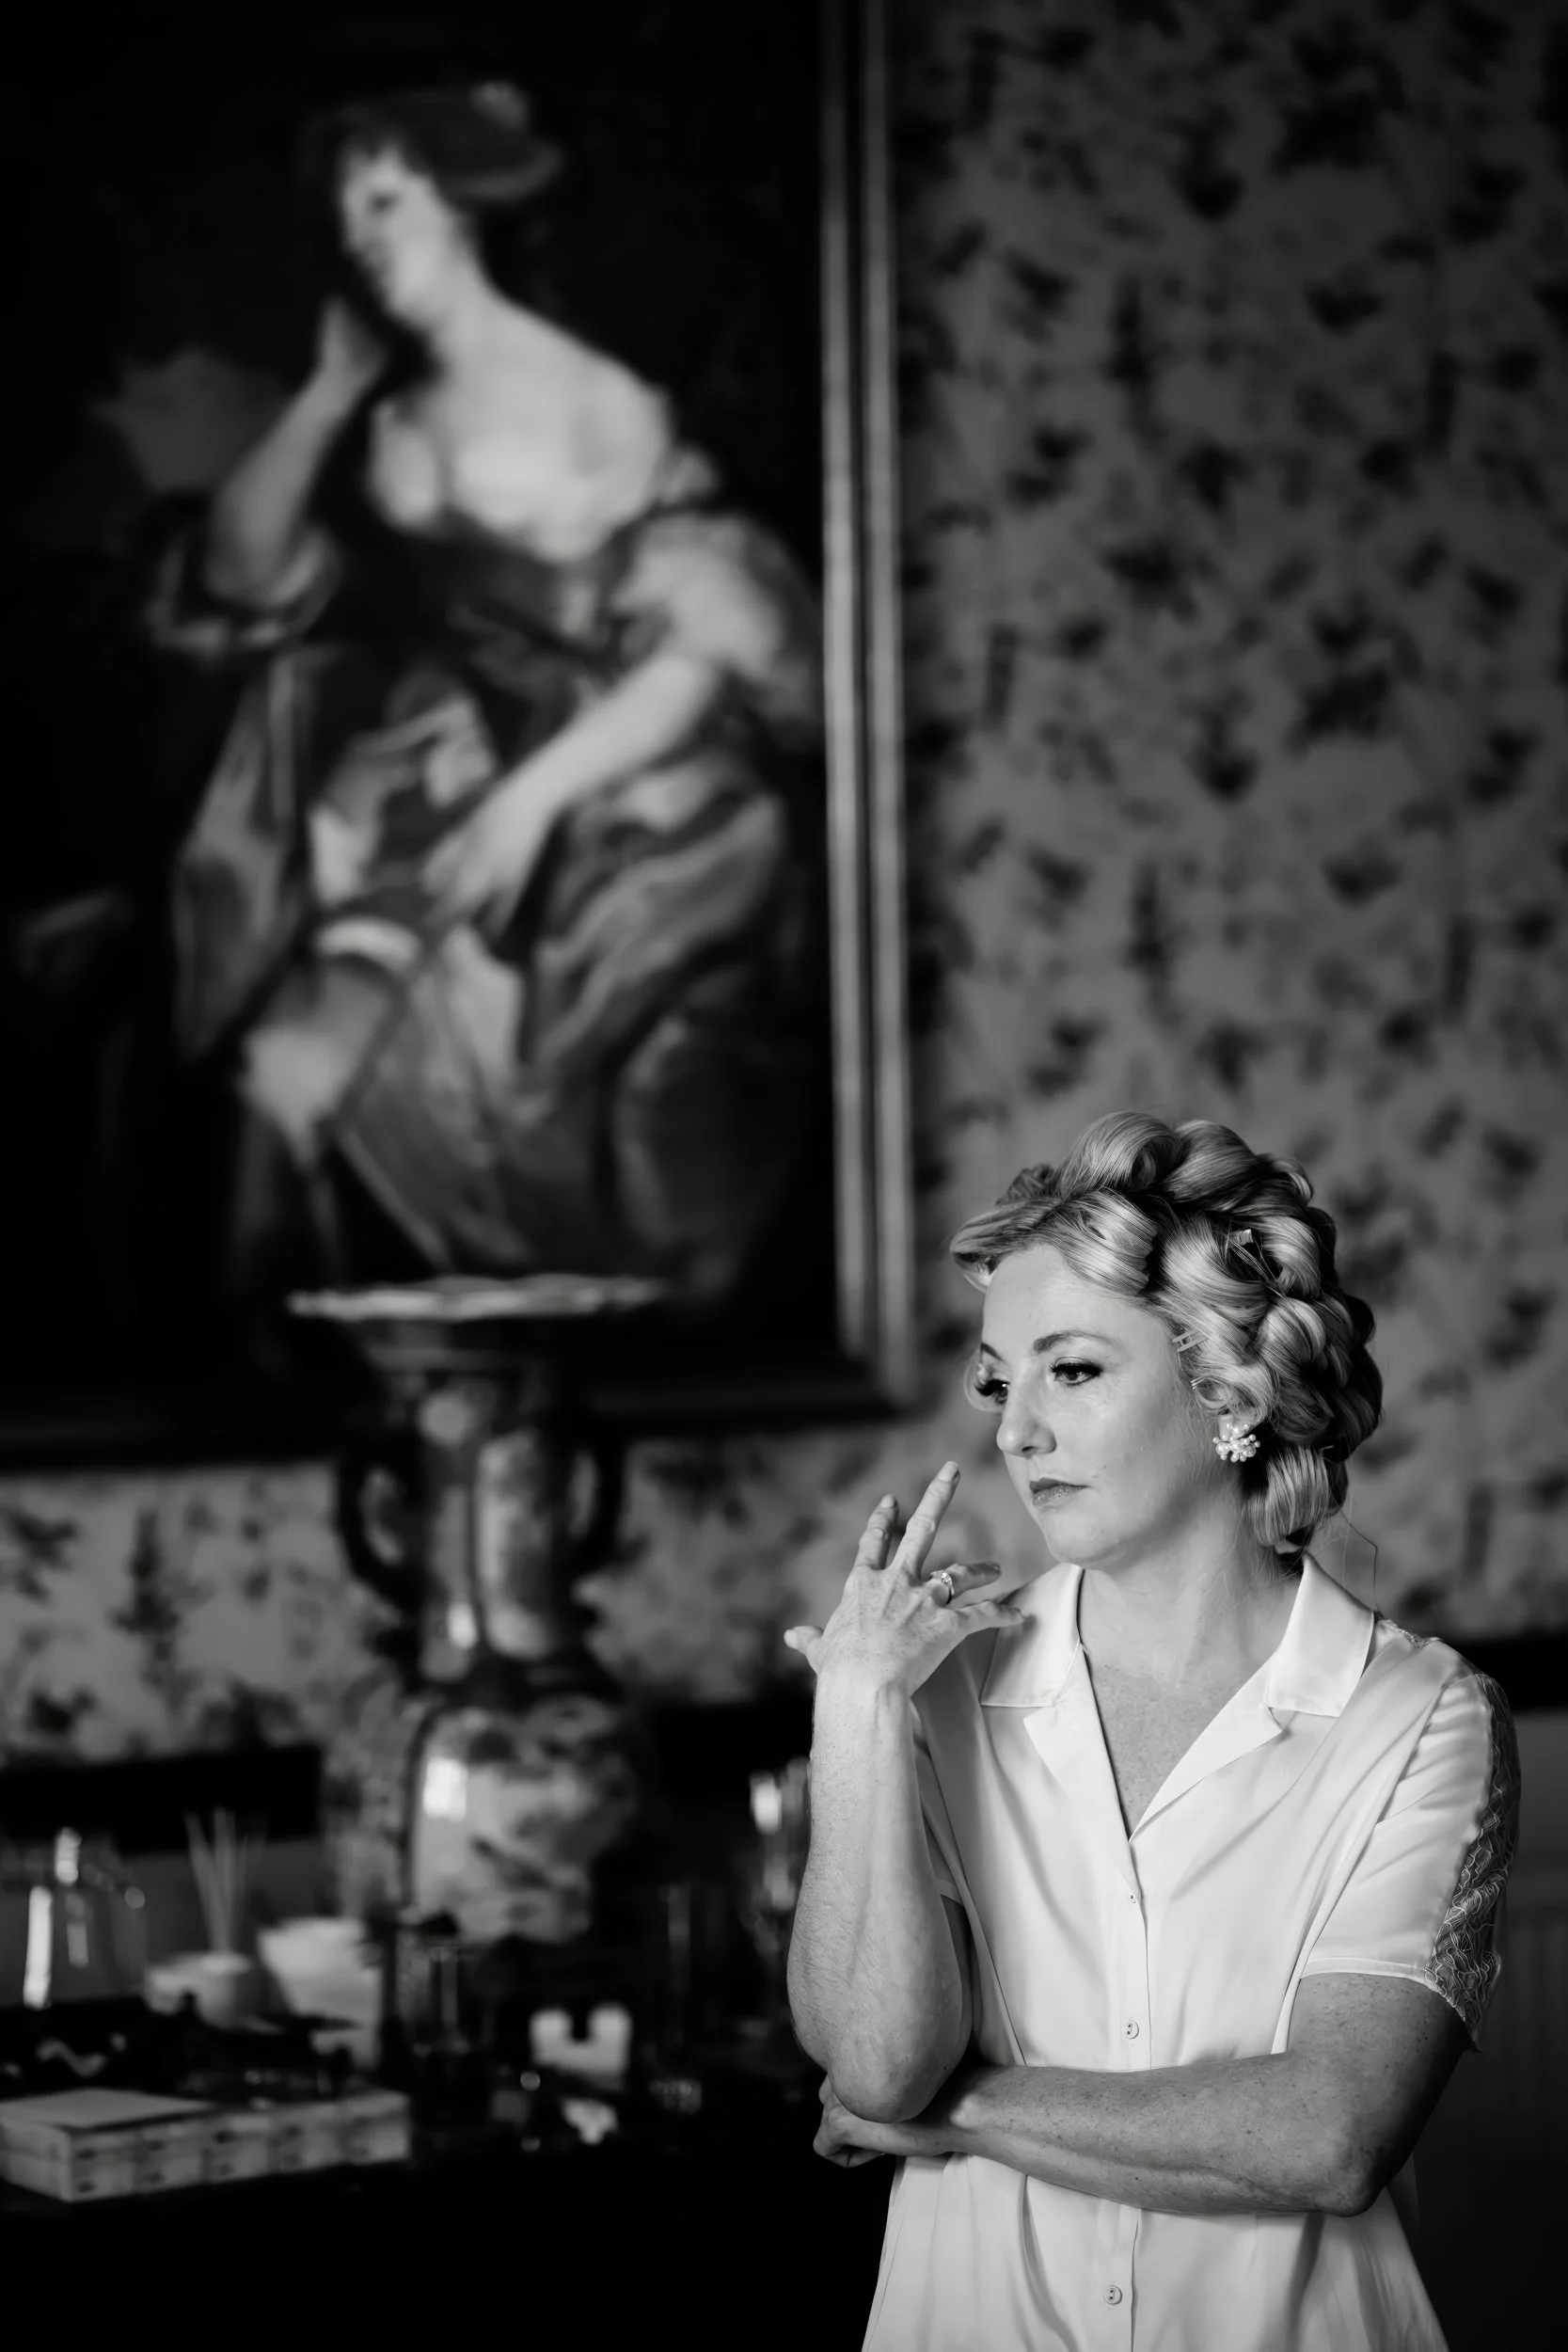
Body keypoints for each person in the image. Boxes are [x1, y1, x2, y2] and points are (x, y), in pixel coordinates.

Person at [784, 1111, 1517, 2352]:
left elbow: (1327, 2136)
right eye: (998, 1381)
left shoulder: (1419, 1720)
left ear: (1225, 1387)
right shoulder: (936, 1682)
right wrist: (854, 1708)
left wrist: (953, 2116)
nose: (1014, 1431)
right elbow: (871, 2066)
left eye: (1070, 1370)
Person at [144, 82, 821, 1351]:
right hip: (432, 772)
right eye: (345, 209)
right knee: (283, 1071)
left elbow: (707, 647)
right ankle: (283, 1359)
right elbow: (240, 574)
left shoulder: (610, 404)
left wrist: (530, 799)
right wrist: (331, 391)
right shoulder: (389, 416)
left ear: (464, 199)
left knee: (642, 1114)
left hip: (623, 781)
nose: (361, 234)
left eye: (386, 198)